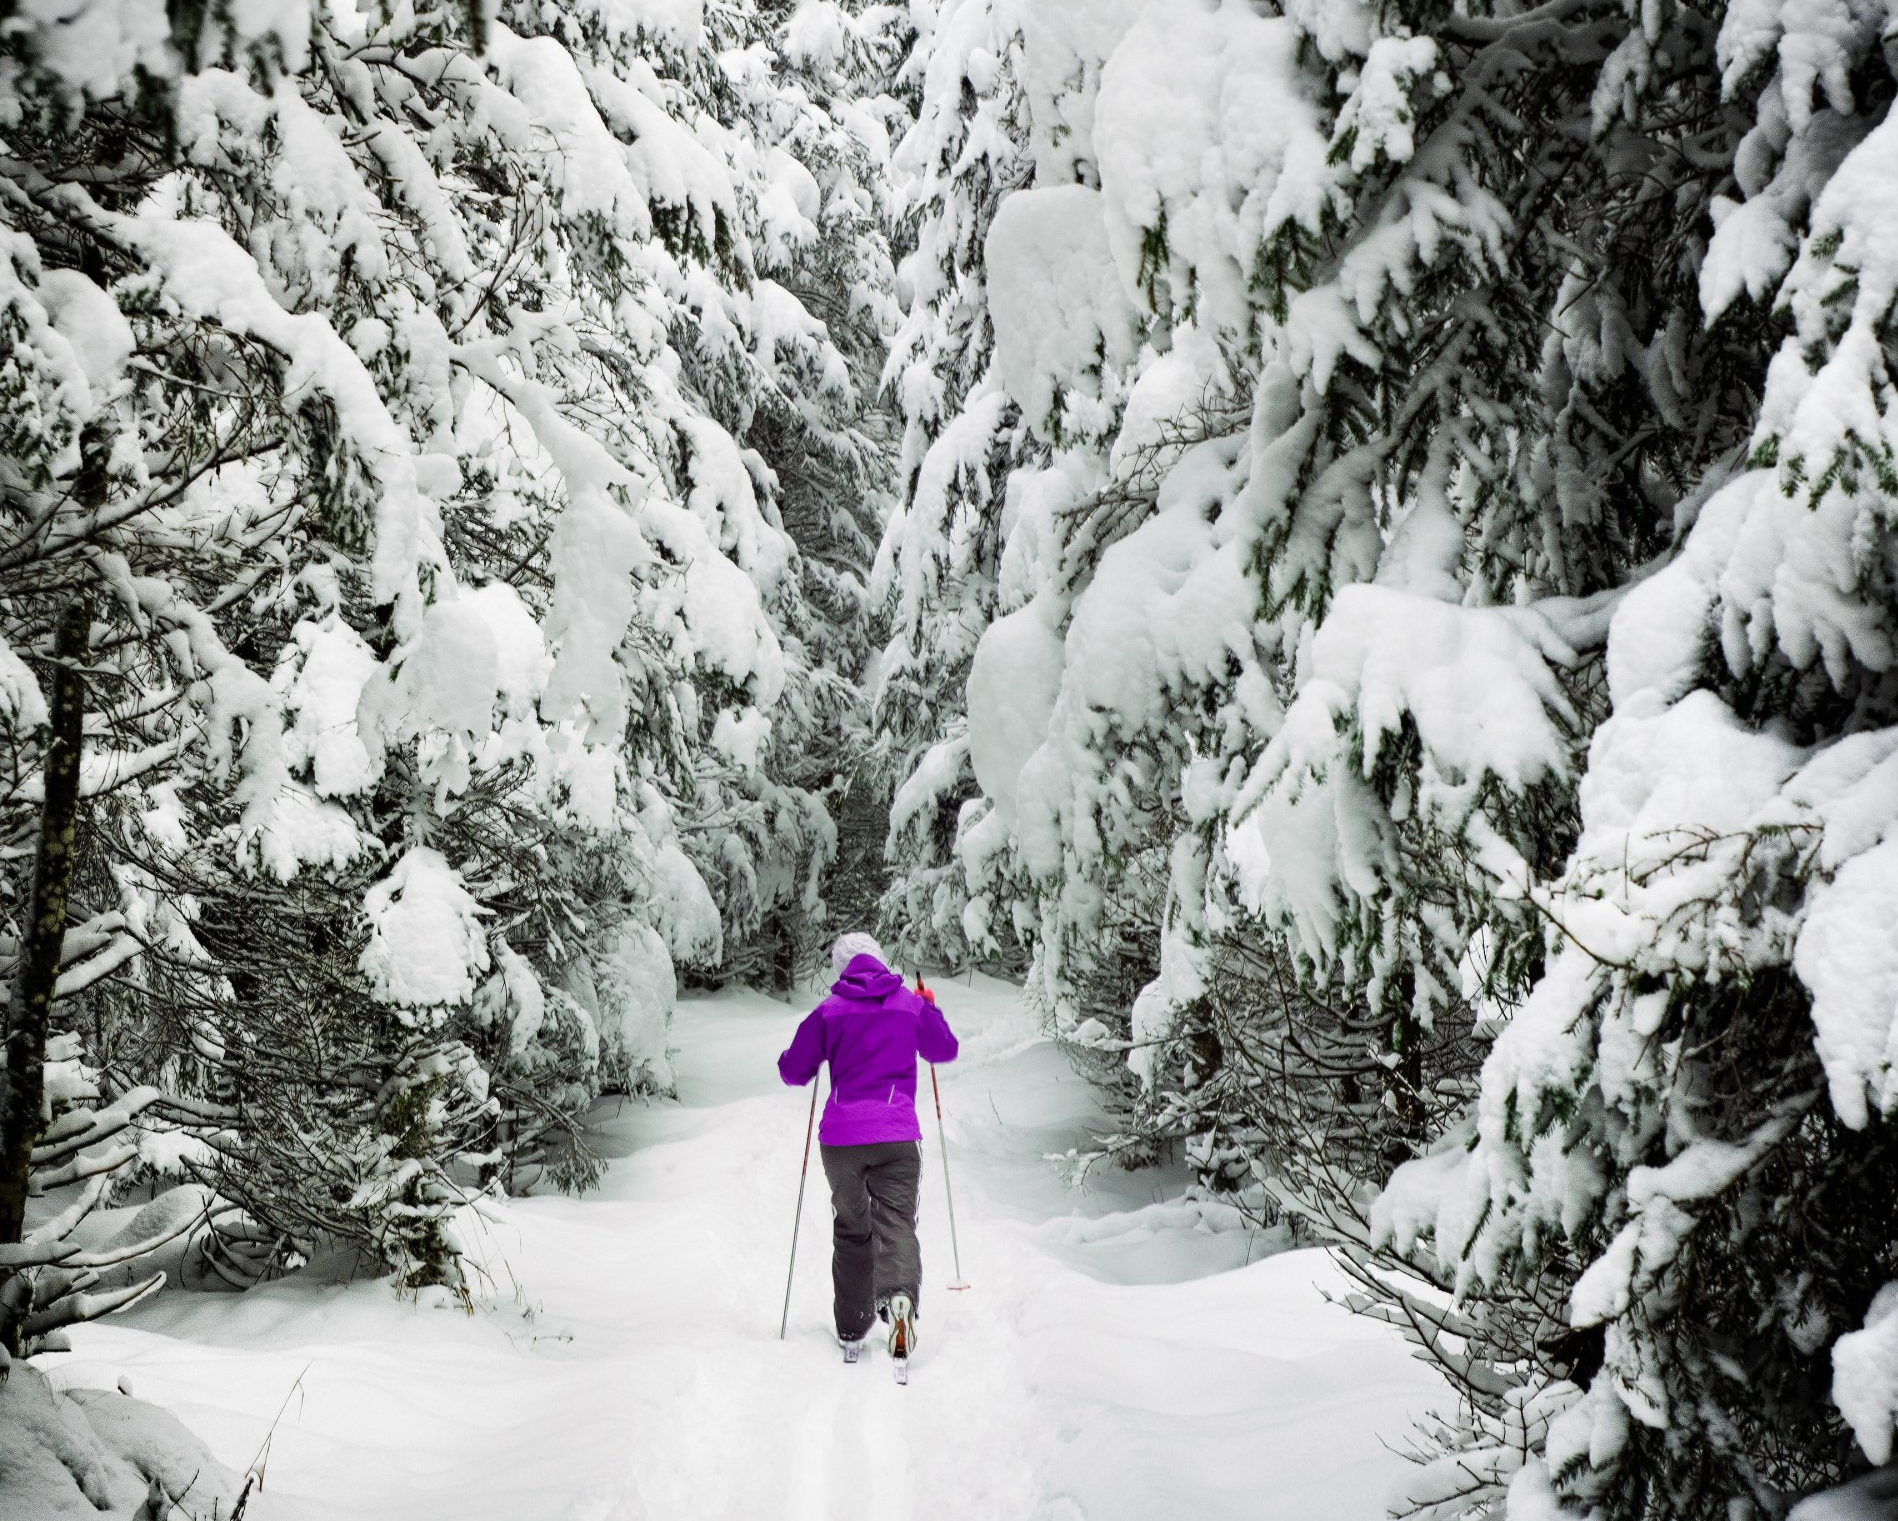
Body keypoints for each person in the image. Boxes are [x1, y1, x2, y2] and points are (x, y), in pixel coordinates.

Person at [777, 932, 958, 1363]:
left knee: (852, 1229)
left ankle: (852, 1327)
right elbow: (943, 1049)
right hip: (896, 1135)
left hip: (841, 1141)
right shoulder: (909, 1004)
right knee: (896, 1223)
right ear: (880, 961)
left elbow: (792, 1071)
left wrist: (813, 1051)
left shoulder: (829, 1011)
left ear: (842, 969)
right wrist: (929, 1007)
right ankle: (899, 1301)